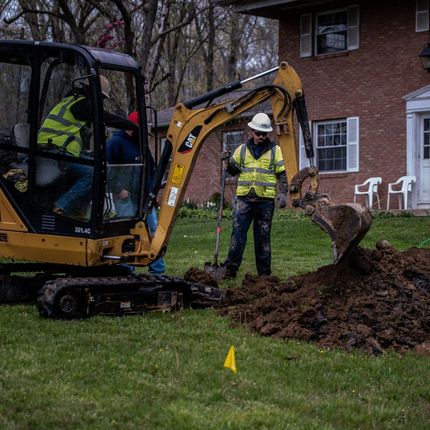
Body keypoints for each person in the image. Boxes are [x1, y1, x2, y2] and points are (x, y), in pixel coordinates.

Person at [37, 75, 137, 218]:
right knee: (94, 173)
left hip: (57, 150)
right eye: (101, 97)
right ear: (93, 92)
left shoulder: (73, 101)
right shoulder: (81, 105)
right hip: (54, 152)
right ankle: (62, 207)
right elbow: (106, 118)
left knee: (100, 168)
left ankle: (78, 211)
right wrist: (132, 126)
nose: (101, 101)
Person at [223, 112, 288, 278]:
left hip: (265, 202)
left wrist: (283, 193)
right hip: (244, 200)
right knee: (237, 235)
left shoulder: (275, 150)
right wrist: (227, 161)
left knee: (263, 238)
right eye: (258, 133)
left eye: (264, 133)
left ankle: (264, 274)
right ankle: (230, 270)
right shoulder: (242, 150)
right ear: (251, 131)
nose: (260, 136)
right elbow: (233, 170)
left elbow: (281, 174)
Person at [106, 111, 165, 275]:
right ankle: (126, 272)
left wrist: (151, 191)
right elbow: (107, 170)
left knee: (154, 234)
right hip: (125, 198)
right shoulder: (116, 143)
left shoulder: (141, 145)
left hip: (145, 198)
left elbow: (151, 169)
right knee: (128, 235)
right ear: (133, 127)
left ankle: (157, 272)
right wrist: (118, 189)